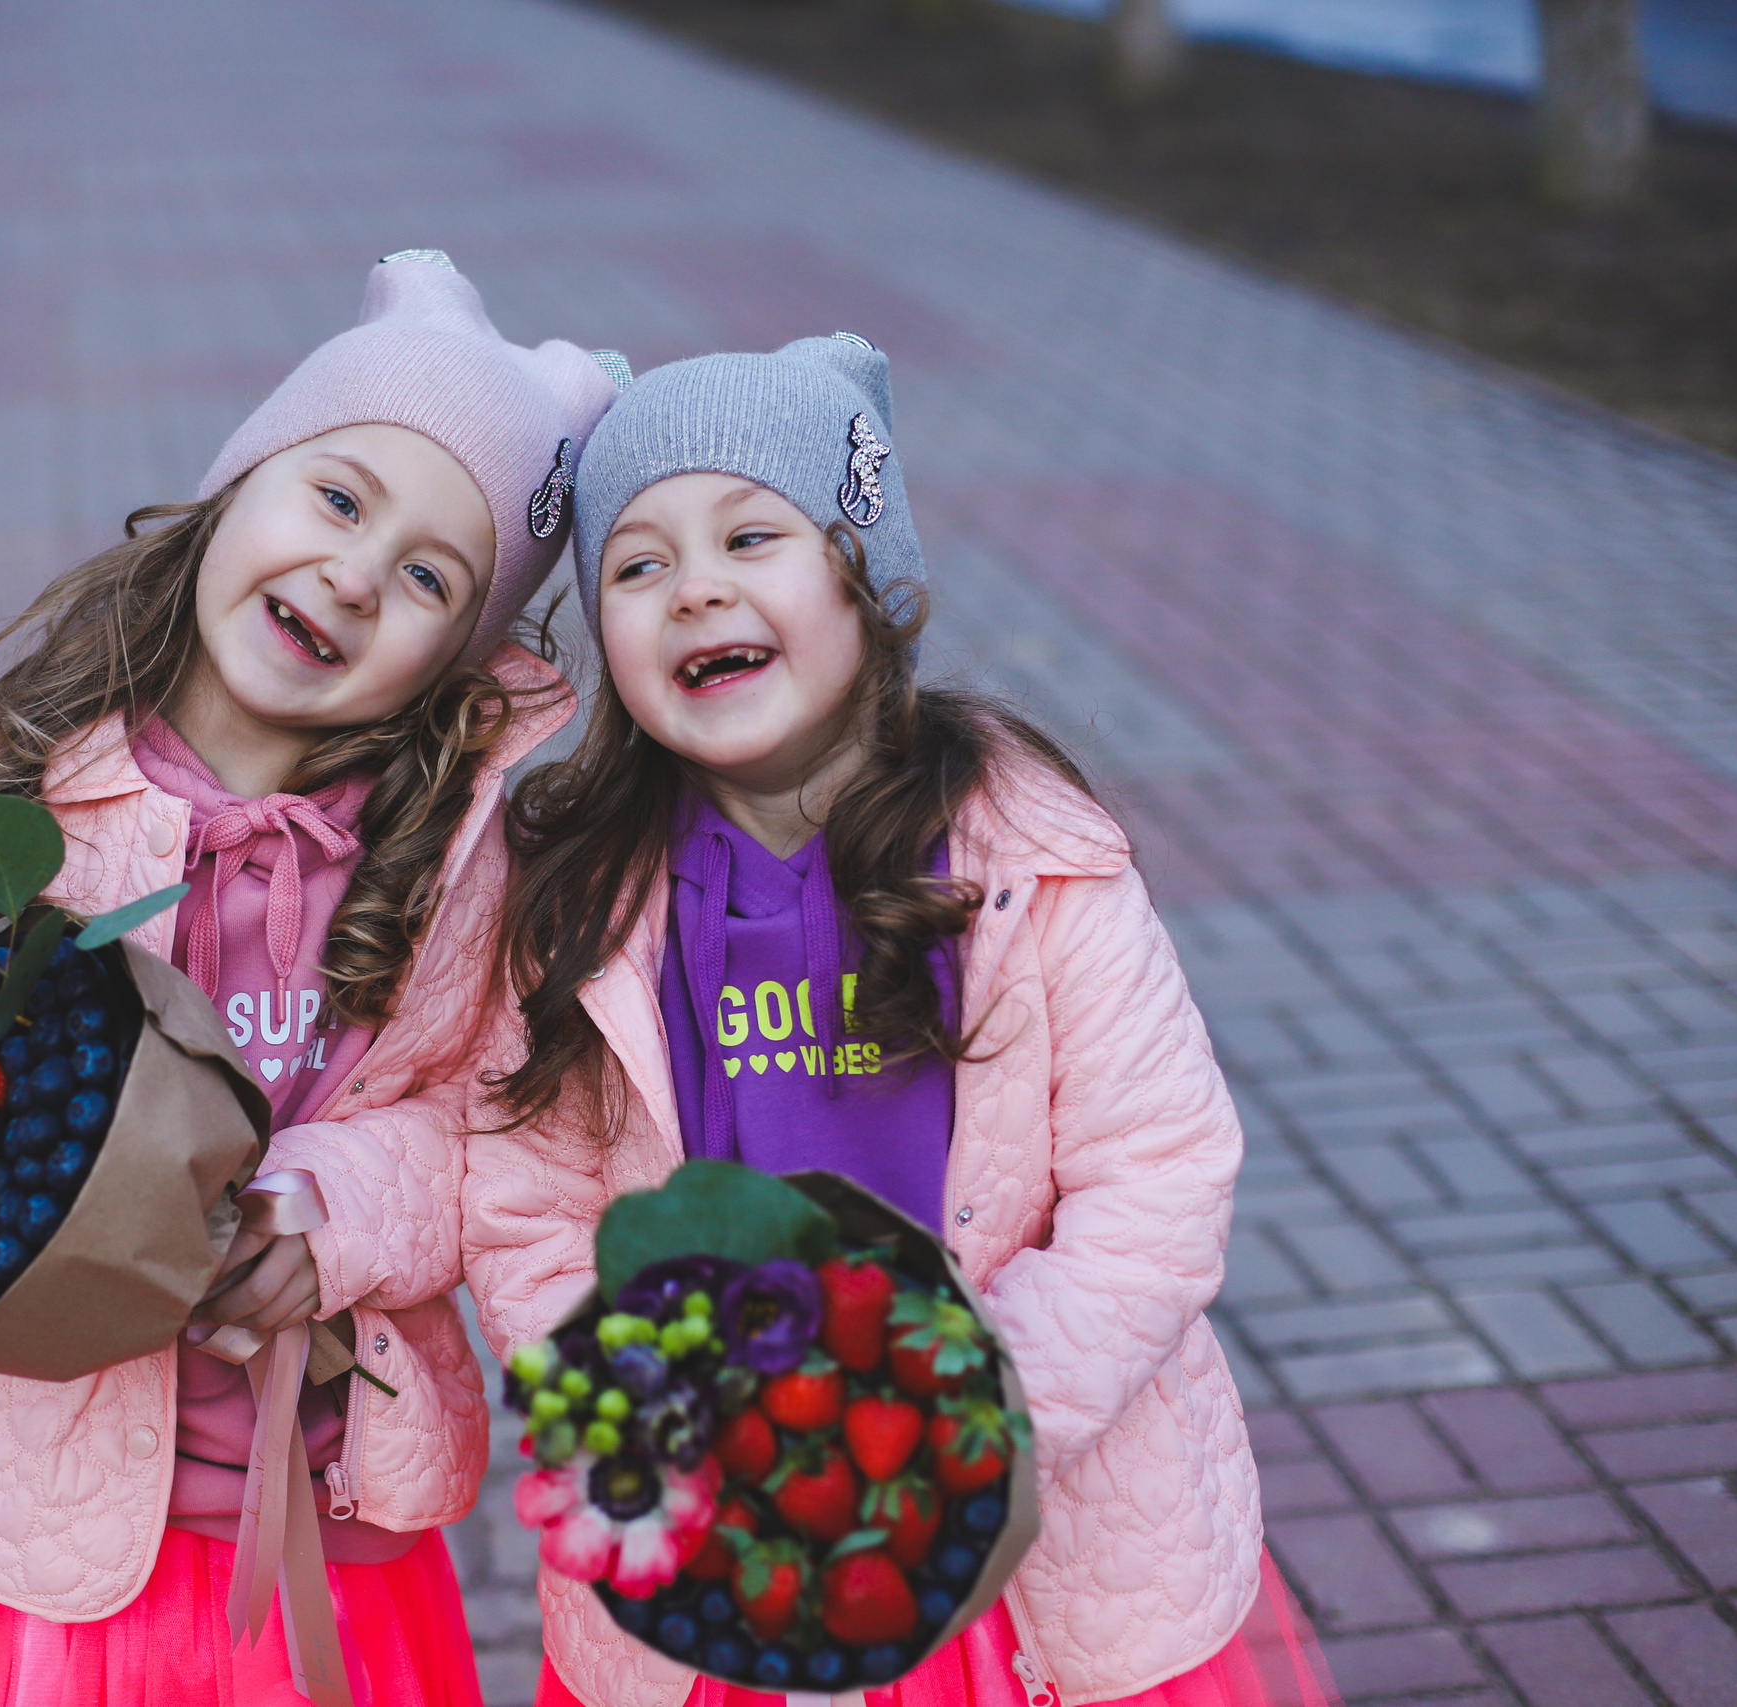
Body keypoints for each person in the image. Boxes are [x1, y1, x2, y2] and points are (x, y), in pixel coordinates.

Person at [0, 251, 623, 1706]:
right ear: (242, 483)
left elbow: (499, 1133)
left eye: (429, 576)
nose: (355, 574)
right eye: (339, 498)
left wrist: (339, 1212)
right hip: (22, 1509)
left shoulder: (454, 859)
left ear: (455, 658)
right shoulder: (23, 768)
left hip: (306, 1518)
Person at [466, 334, 1339, 1707]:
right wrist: (652, 1405)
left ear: (864, 578)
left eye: (750, 536)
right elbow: (524, 1206)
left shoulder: (1030, 858)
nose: (696, 588)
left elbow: (1159, 1174)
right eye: (637, 566)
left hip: (1016, 1532)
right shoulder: (584, 907)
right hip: (725, 1534)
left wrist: (967, 1418)